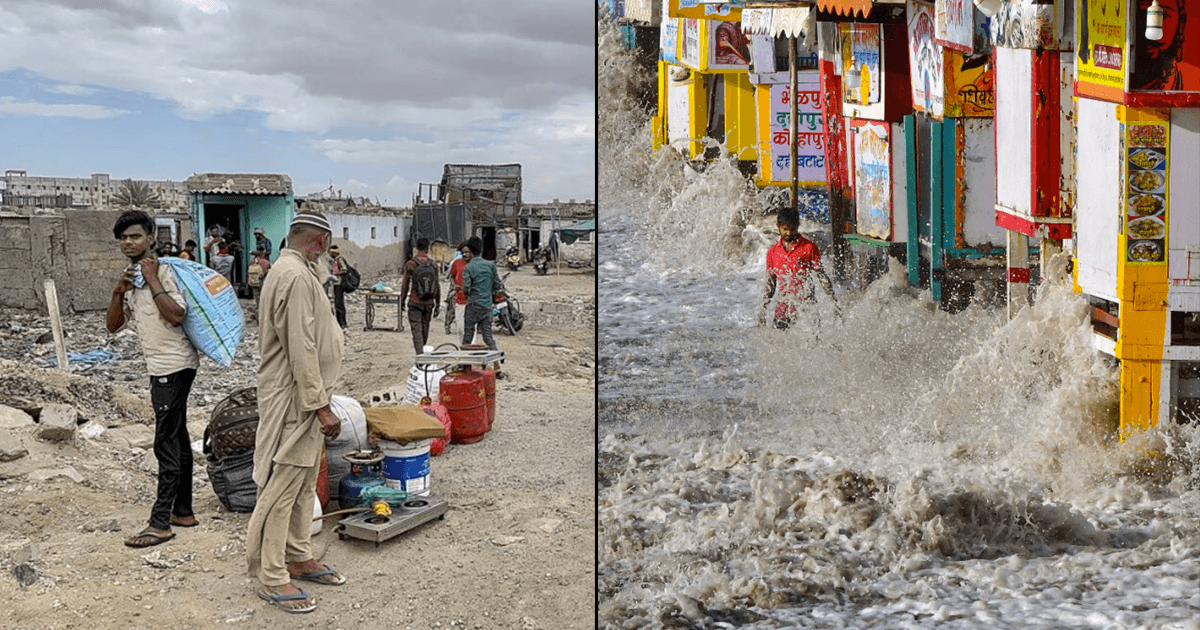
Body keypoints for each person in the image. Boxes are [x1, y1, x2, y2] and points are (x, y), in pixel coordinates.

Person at [246, 211, 345, 614]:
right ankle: (271, 574)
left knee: (304, 483)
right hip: (295, 400)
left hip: (302, 398)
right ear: (320, 241)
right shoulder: (295, 276)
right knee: (284, 485)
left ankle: (298, 554)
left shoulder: (297, 271)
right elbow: (300, 346)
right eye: (327, 244)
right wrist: (320, 406)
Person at [105, 210, 200, 548]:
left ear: (150, 238)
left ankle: (160, 523)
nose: (128, 242)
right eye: (123, 238)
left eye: (135, 236)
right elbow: (113, 326)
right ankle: (182, 511)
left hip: (173, 367)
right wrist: (119, 292)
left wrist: (153, 278)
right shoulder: (132, 278)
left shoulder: (165, 271)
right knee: (178, 437)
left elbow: (176, 315)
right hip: (162, 367)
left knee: (165, 443)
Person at [759, 206, 836, 330]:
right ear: (778, 226)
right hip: (783, 310)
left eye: (793, 229)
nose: (789, 233)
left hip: (806, 308)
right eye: (785, 229)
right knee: (780, 339)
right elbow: (771, 283)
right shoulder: (772, 252)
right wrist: (763, 308)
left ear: (798, 226)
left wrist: (833, 301)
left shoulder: (809, 248)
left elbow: (821, 276)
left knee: (811, 339)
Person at [400, 238, 441, 355]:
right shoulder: (433, 264)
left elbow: (405, 284)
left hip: (415, 301)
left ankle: (420, 356)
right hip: (429, 303)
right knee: (425, 329)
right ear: (428, 248)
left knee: (416, 331)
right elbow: (437, 285)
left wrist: (402, 301)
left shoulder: (411, 264)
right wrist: (438, 304)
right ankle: (423, 354)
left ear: (416, 248)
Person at [461, 236, 501, 352]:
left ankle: (464, 360)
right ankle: (496, 358)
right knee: (487, 335)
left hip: (473, 305)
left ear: (470, 251)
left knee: (468, 335)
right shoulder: (490, 265)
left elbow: (466, 289)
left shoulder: (468, 267)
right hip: (487, 306)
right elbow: (497, 285)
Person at [444, 242, 468, 334]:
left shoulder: (473, 264)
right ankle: (447, 324)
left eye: (467, 252)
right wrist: (455, 286)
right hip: (457, 289)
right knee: (450, 304)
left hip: (469, 292)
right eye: (463, 252)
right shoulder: (457, 262)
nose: (465, 254)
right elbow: (452, 276)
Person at [328, 244, 348, 330]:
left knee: (339, 304)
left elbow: (344, 269)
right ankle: (340, 322)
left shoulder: (340, 259)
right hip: (336, 284)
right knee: (337, 303)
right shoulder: (335, 260)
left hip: (339, 283)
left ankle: (342, 323)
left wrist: (335, 274)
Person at [247, 248, 271, 315]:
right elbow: (268, 271)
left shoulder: (252, 261)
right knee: (263, 299)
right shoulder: (264, 261)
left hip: (253, 283)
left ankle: (258, 310)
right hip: (262, 282)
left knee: (257, 298)